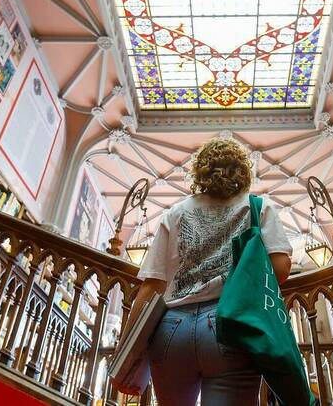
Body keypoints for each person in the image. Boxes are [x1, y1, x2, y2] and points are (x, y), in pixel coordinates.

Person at [115, 138, 293, 405]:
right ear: (243, 170)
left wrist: (125, 354)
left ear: (200, 171)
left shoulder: (175, 213)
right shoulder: (258, 207)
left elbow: (151, 287)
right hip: (230, 326)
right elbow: (280, 269)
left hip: (172, 328)